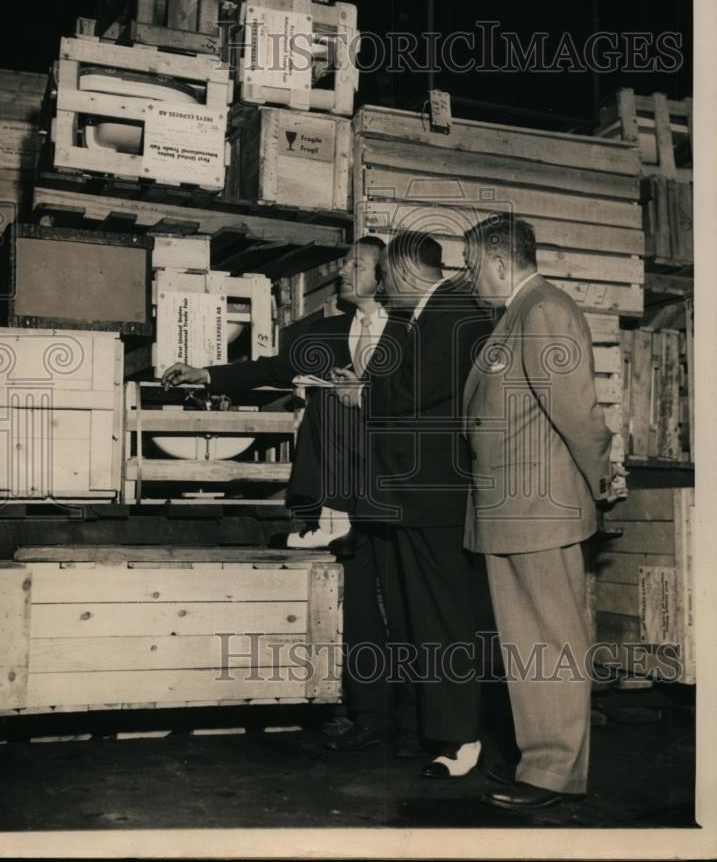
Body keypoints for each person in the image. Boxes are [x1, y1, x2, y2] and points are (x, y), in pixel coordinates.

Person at [161, 237, 421, 756]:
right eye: (346, 262)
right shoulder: (323, 333)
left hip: (399, 493)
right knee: (361, 611)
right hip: (344, 495)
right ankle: (371, 717)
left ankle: (414, 722)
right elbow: (269, 369)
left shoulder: (412, 335)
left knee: (406, 606)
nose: (345, 270)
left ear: (384, 276)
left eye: (357, 264)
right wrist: (207, 373)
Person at [461, 212, 613, 811]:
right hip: (512, 510)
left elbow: (577, 415)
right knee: (528, 644)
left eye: (474, 268)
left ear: (500, 262)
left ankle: (553, 773)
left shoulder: (543, 310)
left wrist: (599, 484)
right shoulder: (517, 315)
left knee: (551, 641)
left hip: (539, 511)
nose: (471, 280)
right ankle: (539, 762)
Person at [333, 231, 494, 779]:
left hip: (435, 497)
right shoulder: (418, 317)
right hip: (406, 495)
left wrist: (363, 393)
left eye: (384, 277)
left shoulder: (458, 314)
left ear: (401, 273)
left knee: (445, 621)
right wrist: (373, 385)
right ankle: (434, 730)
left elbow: (411, 389)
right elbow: (391, 379)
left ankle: (460, 740)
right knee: (414, 620)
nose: (379, 286)